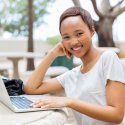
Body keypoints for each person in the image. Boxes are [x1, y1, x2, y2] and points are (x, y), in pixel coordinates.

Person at [24, 6, 125, 125]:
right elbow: (30, 88)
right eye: (66, 37)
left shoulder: (108, 59)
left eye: (79, 34)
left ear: (92, 31)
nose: (73, 42)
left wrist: (69, 102)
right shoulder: (72, 75)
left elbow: (117, 115)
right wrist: (53, 53)